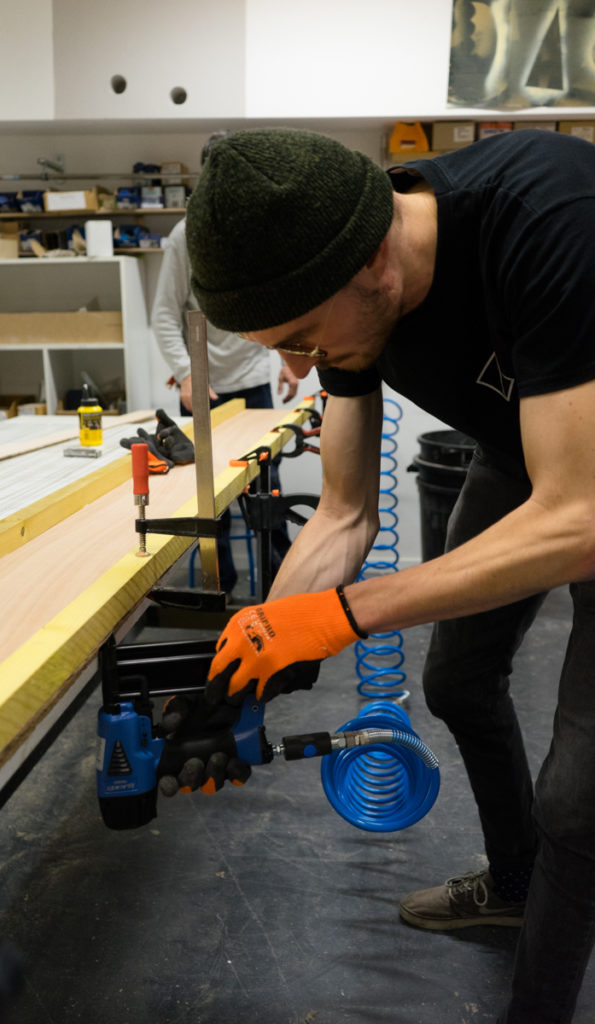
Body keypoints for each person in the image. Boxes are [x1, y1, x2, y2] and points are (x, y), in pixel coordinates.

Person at [176, 126, 595, 1024]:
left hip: (586, 493)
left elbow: (578, 520)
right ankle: (514, 885)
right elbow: (341, 514)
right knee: (456, 682)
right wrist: (247, 670)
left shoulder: (551, 218)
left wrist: (343, 615)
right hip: (526, 451)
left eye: (300, 338)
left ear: (375, 257)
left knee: (579, 800)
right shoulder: (347, 287)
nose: (296, 368)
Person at [152, 131, 298, 591]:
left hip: (253, 381)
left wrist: (290, 357)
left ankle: (282, 583)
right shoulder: (185, 236)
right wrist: (186, 373)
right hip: (204, 388)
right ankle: (220, 587)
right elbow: (163, 315)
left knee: (266, 492)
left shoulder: (259, 228)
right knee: (207, 499)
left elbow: (279, 303)